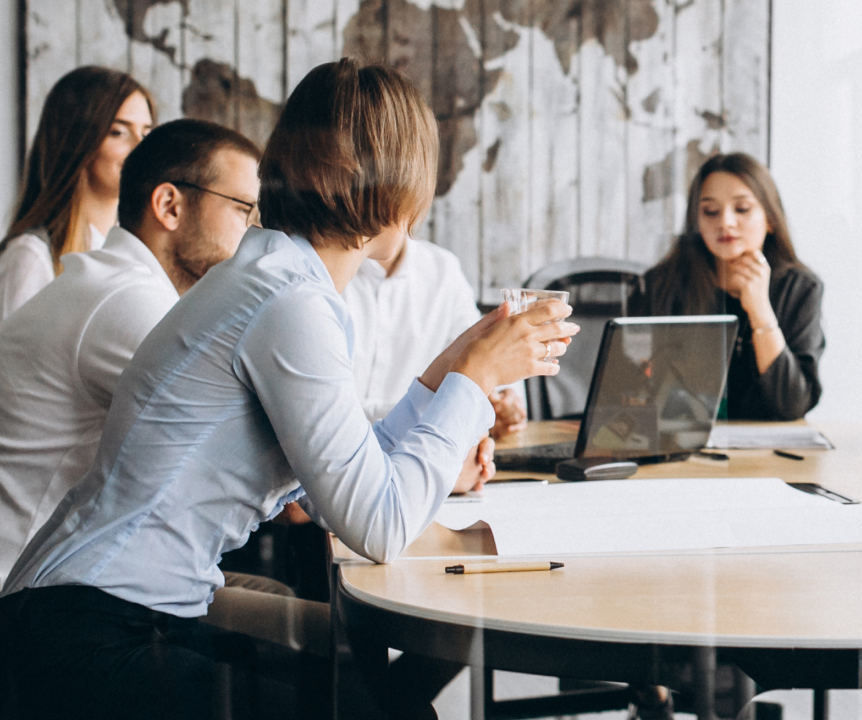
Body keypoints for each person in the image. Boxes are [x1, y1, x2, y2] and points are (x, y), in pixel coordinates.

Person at [0, 59, 577, 720]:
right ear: (401, 190)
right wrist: (475, 380)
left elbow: (345, 483)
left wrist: (452, 365)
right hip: (88, 631)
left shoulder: (280, 278)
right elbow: (378, 524)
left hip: (96, 612)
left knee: (375, 698)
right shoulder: (289, 301)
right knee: (380, 707)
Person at [0, 119, 264, 585]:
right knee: (293, 619)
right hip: (30, 595)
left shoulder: (113, 283)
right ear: (169, 205)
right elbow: (252, 459)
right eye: (245, 210)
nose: (256, 233)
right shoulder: (130, 303)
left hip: (70, 573)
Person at [632, 152, 824, 421]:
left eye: (742, 209)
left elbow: (792, 404)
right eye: (710, 211)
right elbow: (635, 391)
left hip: (770, 452)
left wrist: (760, 312)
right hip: (679, 445)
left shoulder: (800, 288)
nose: (725, 222)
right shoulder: (661, 284)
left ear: (770, 219)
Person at [0, 67, 155, 321]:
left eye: (146, 133)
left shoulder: (139, 252)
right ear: (77, 141)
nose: (142, 147)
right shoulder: (31, 258)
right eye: (119, 132)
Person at [345, 234, 528, 438]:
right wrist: (459, 412)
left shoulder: (442, 268)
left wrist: (502, 401)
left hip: (423, 448)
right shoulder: (325, 268)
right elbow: (331, 415)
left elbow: (480, 348)